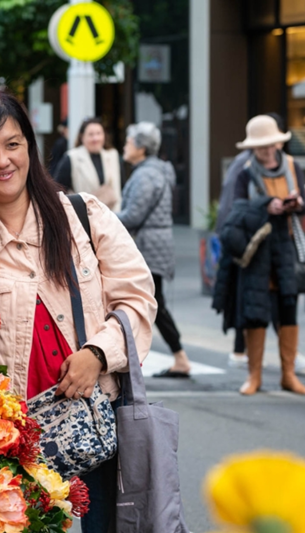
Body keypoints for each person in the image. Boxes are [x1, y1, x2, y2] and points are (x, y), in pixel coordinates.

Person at [0, 84, 157, 533]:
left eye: (13, 144)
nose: (3, 161)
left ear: (30, 147)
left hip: (96, 423)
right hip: (11, 441)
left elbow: (137, 298)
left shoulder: (83, 215)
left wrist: (97, 354)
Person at [215, 115, 305, 396]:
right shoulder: (244, 172)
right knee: (255, 311)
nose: (267, 151)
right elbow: (238, 210)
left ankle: (288, 375)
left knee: (288, 306)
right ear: (253, 149)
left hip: (286, 246)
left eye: (270, 145)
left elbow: (304, 205)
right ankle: (254, 375)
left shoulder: (293, 166)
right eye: (261, 147)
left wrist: (296, 204)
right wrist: (267, 206)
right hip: (257, 249)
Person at [118, 122, 193, 378]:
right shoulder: (153, 171)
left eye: (128, 142)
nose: (125, 146)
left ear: (140, 148)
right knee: (153, 302)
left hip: (149, 247)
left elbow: (133, 215)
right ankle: (178, 356)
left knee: (152, 303)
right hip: (154, 244)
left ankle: (179, 356)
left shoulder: (146, 175)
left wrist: (101, 217)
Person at [54, 117, 122, 211]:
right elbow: (58, 190)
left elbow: (121, 186)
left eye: (99, 133)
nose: (95, 138)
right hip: (85, 218)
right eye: (91, 134)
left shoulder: (113, 156)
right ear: (82, 137)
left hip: (112, 217)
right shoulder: (72, 158)